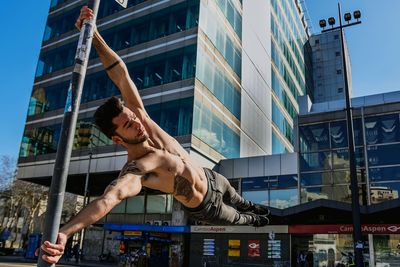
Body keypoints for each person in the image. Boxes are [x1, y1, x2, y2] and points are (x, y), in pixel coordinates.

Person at [38, 6, 270, 265]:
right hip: (208, 207)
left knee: (240, 200)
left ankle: (252, 208)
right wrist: (65, 232)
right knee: (243, 219)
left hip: (213, 177)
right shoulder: (137, 169)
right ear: (117, 139)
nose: (136, 123)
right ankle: (255, 218)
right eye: (128, 125)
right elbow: (108, 199)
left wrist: (94, 35)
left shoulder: (143, 120)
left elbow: (121, 74)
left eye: (132, 117)